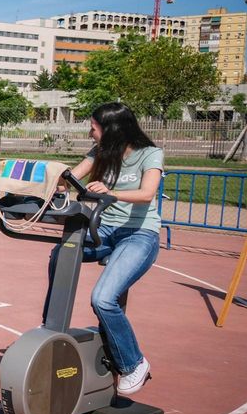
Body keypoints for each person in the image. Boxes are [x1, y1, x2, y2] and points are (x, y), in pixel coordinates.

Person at [48, 102, 162, 396]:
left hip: (138, 234)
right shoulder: (100, 153)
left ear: (111, 130)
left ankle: (134, 363)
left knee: (103, 299)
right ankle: (50, 328)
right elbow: (72, 176)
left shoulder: (150, 154)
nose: (90, 132)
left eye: (94, 128)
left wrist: (111, 193)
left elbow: (148, 193)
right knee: (61, 254)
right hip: (103, 231)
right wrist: (53, 181)